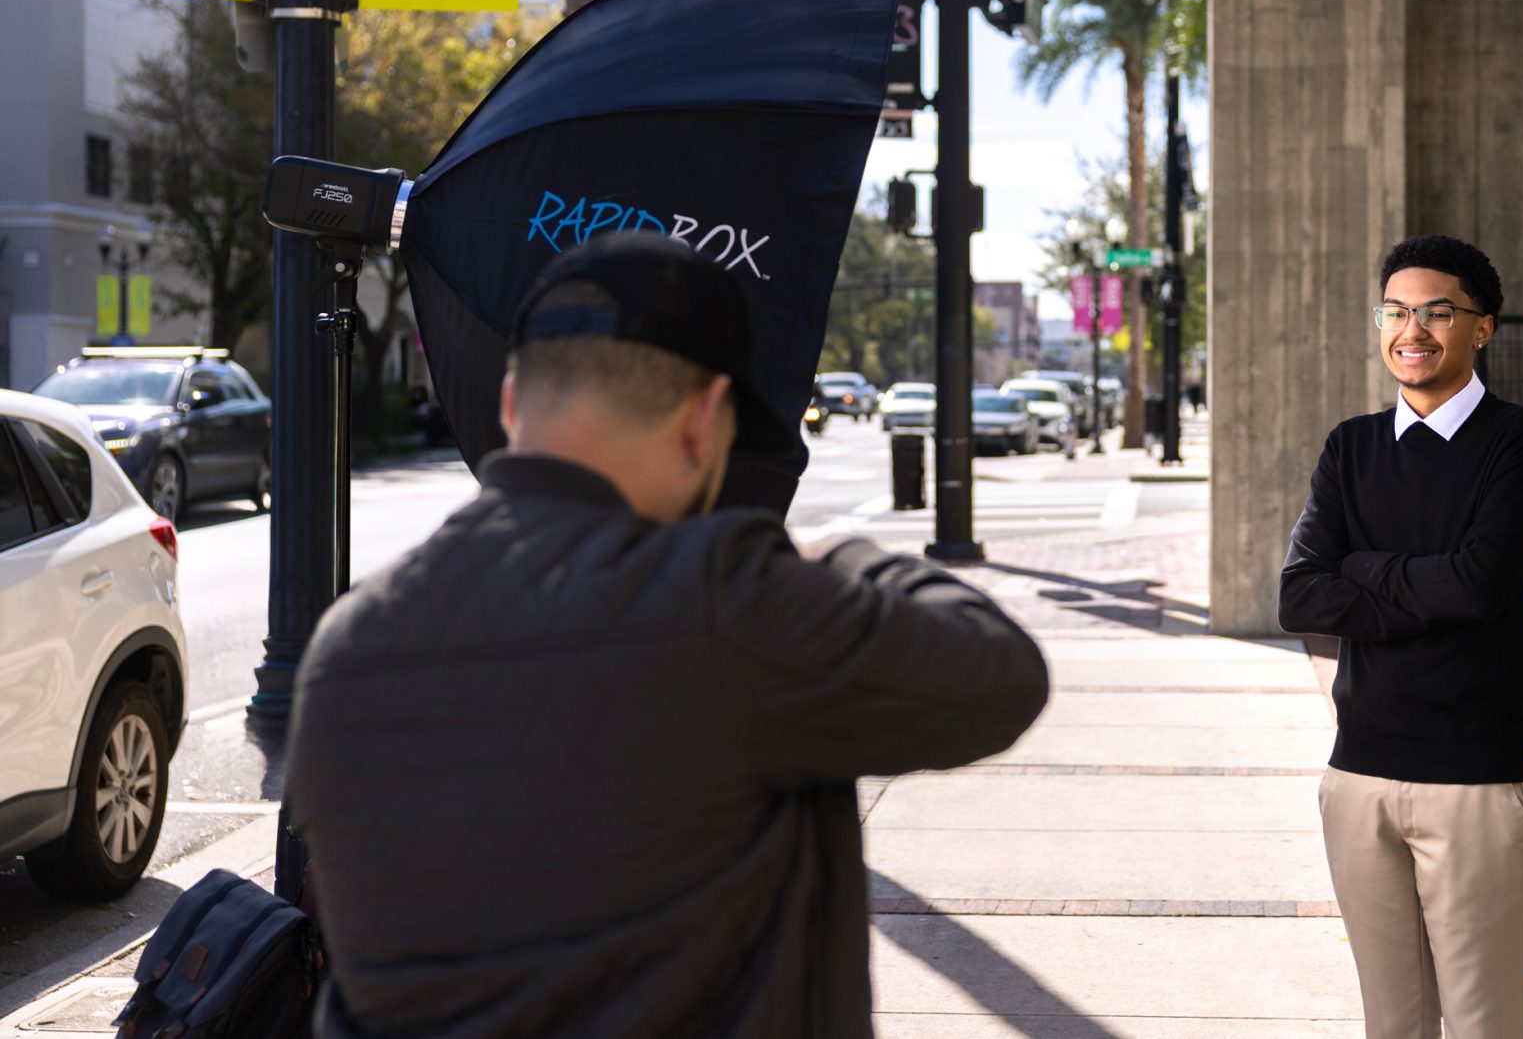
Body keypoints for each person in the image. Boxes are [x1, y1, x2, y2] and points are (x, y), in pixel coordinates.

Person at [285, 232, 1049, 1038]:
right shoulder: (722, 600)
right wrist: (839, 556)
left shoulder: (348, 645)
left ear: (511, 404)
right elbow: (996, 674)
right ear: (705, 422)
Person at [1278, 234, 1523, 1039]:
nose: (1413, 330)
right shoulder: (1351, 446)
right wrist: (1423, 581)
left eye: (1438, 311)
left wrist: (1361, 570)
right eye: (1396, 311)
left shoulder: (1519, 438)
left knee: (1484, 1024)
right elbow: (1300, 597)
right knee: (1390, 1025)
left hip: (1471, 780)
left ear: (1482, 328)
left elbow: (1483, 584)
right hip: (1357, 777)